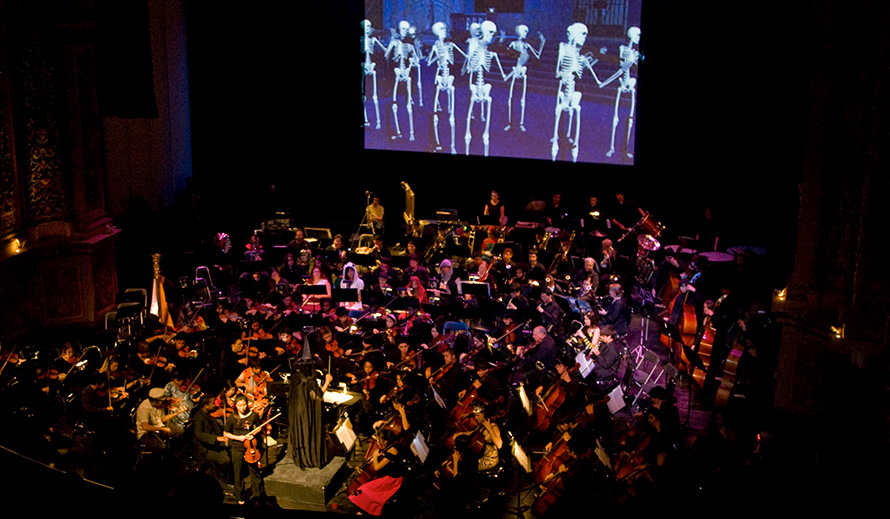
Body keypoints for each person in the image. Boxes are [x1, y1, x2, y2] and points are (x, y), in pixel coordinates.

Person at [223, 394, 269, 505]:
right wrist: (238, 438)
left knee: (255, 472)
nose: (242, 408)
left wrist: (253, 434)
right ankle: (240, 497)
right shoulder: (232, 418)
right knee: (238, 473)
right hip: (237, 447)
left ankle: (258, 495)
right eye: (239, 406)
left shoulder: (253, 415)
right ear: (236, 406)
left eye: (244, 405)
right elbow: (226, 433)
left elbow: (259, 428)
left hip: (251, 446)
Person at [191, 394, 232, 479]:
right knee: (225, 460)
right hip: (204, 448)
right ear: (206, 406)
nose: (215, 405)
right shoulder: (198, 417)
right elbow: (199, 435)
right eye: (213, 404)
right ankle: (223, 478)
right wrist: (217, 438)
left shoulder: (208, 414)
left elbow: (217, 428)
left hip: (213, 443)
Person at [135, 387, 185, 452]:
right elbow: (145, 427)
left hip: (159, 429)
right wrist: (162, 429)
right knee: (161, 446)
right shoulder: (144, 408)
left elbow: (162, 419)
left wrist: (177, 413)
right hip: (146, 433)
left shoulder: (159, 406)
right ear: (155, 401)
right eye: (162, 401)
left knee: (180, 431)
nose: (164, 403)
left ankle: (175, 453)